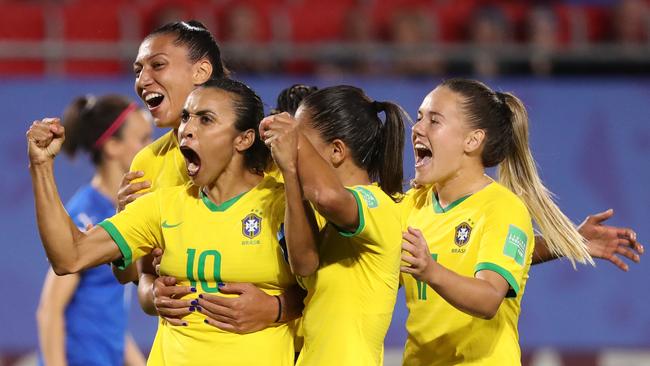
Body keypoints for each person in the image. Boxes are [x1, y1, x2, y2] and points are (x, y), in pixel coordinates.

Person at [27, 79, 309, 366]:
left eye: (206, 119)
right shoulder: (161, 206)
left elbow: (328, 286)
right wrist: (41, 167)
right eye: (186, 117)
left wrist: (277, 307)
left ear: (244, 139)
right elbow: (69, 256)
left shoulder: (283, 204)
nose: (187, 129)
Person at [398, 78, 621, 365]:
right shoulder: (413, 204)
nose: (416, 128)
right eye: (419, 119)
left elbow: (490, 297)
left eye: (434, 121)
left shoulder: (502, 208)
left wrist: (429, 270)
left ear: (472, 140)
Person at [259, 85, 406, 366]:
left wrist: (294, 140)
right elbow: (304, 264)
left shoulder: (378, 205)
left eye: (301, 140)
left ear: (337, 151)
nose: (293, 146)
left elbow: (327, 195)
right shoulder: (322, 216)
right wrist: (290, 172)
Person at [35, 94, 151, 366]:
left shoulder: (121, 213)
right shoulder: (84, 214)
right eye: (143, 139)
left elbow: (110, 321)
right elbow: (49, 310)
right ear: (112, 146)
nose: (151, 148)